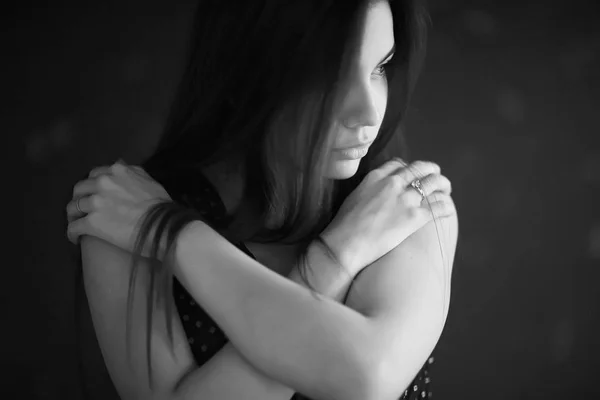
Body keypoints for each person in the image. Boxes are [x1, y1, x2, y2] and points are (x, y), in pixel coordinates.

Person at [65, 1, 459, 399]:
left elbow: (365, 379)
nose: (369, 112)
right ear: (240, 73)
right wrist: (337, 257)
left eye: (380, 67)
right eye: (329, 74)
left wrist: (174, 235)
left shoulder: (406, 203)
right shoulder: (122, 219)